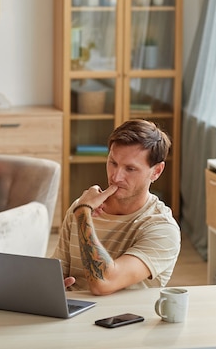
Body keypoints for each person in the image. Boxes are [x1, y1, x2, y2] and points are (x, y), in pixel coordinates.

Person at [52, 119, 181, 296]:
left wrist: (83, 215)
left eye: (130, 169)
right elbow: (56, 273)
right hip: (70, 314)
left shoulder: (163, 228)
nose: (116, 176)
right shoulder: (81, 207)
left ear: (156, 171)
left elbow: (102, 283)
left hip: (122, 319)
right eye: (113, 163)